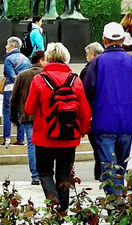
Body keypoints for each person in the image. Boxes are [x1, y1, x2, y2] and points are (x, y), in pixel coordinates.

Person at [81, 22, 132, 194]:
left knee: (108, 165)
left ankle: (115, 200)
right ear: (123, 39)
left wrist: (85, 120)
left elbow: (87, 94)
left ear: (104, 40)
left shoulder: (97, 63)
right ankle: (118, 198)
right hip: (127, 121)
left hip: (103, 121)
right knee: (121, 165)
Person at [23, 42, 91, 213]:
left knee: (44, 172)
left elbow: (29, 109)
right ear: (66, 58)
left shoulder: (39, 80)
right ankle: (63, 210)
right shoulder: (75, 80)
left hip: (44, 136)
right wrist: (82, 130)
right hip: (69, 136)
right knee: (64, 174)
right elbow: (85, 109)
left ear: (47, 59)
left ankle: (53, 203)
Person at [11, 48, 44, 186]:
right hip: (43, 115)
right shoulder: (45, 74)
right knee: (43, 144)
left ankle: (35, 175)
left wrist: (13, 117)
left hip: (27, 115)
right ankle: (45, 173)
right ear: (41, 60)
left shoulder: (22, 75)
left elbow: (14, 98)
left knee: (32, 144)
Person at [0, 36, 31, 143]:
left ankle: (7, 137)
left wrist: (16, 82)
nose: (6, 46)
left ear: (12, 46)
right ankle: (21, 138)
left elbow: (10, 74)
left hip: (10, 88)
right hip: (23, 90)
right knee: (21, 112)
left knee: (7, 112)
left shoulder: (8, 59)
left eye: (7, 44)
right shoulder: (26, 59)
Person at [82, 42, 105, 180]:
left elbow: (84, 92)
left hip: (94, 111)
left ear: (94, 55)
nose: (86, 57)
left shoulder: (88, 70)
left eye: (87, 54)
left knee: (98, 145)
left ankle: (100, 171)